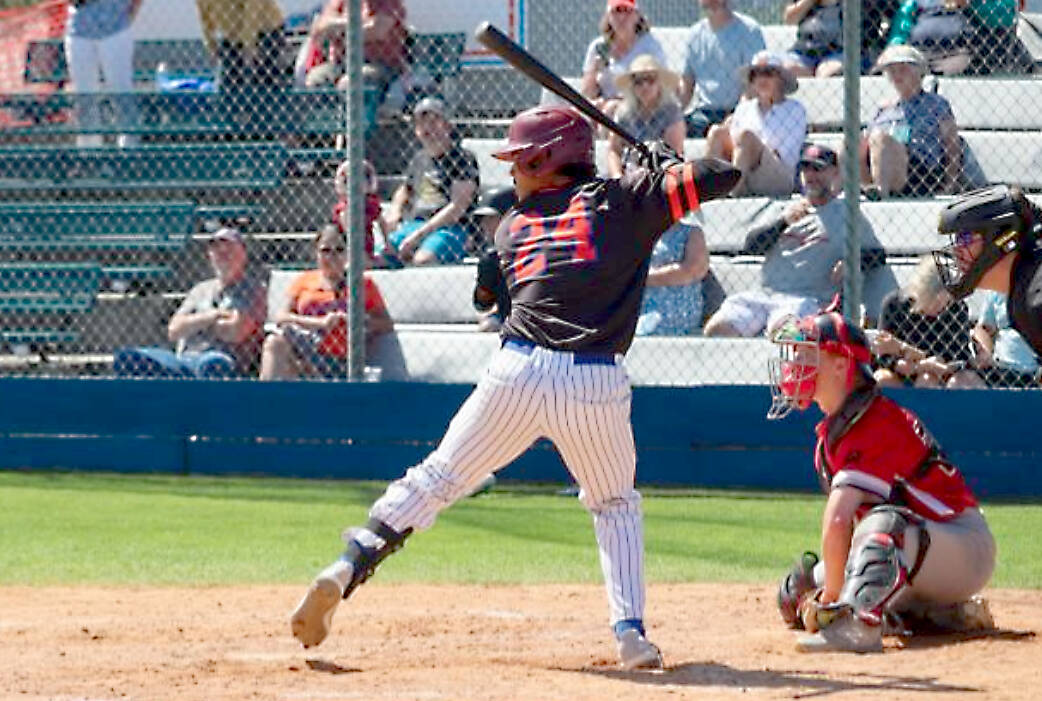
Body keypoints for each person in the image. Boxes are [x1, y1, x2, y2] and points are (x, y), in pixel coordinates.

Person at [288, 105, 741, 669]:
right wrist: (666, 169)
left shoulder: (513, 227)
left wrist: (648, 176)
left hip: (516, 371)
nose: (511, 172)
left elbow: (492, 299)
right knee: (614, 504)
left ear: (545, 159)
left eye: (518, 160)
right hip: (593, 381)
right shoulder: (622, 200)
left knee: (438, 477)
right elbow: (725, 173)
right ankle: (630, 634)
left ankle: (350, 563)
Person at [768, 312, 996, 653]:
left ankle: (858, 625)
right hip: (921, 549)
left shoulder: (877, 422)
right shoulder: (836, 430)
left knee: (883, 526)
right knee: (797, 588)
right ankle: (934, 613)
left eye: (809, 353)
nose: (796, 364)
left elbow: (839, 520)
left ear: (841, 365)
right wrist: (819, 591)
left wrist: (832, 600)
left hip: (963, 545)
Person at [703, 144, 882, 338]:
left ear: (834, 172)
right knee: (717, 328)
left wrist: (852, 261)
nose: (810, 175)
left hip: (806, 300)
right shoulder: (783, 209)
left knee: (782, 333)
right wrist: (784, 222)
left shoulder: (846, 213)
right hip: (764, 295)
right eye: (805, 168)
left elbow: (879, 255)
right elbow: (751, 246)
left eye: (818, 169)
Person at [606, 54, 708, 335]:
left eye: (650, 79)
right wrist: (619, 178)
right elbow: (613, 150)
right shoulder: (624, 113)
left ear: (659, 83)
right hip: (631, 177)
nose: (644, 86)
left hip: (663, 173)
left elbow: (673, 154)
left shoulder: (671, 112)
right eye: (638, 81)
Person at [113, 228, 266, 378]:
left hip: (219, 357)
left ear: (243, 255)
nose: (222, 253)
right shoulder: (200, 289)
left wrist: (193, 324)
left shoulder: (253, 288)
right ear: (210, 256)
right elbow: (174, 330)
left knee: (214, 365)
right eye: (216, 249)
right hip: (184, 358)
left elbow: (235, 332)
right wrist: (214, 316)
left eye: (229, 248)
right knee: (127, 357)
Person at [260, 225, 393, 381]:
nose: (332, 256)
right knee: (274, 343)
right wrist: (319, 323)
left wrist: (355, 321)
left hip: (342, 360)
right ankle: (265, 399)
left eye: (339, 250)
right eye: (325, 251)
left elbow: (386, 323)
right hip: (304, 354)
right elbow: (282, 316)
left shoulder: (362, 284)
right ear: (315, 253)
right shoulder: (305, 280)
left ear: (347, 254)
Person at [934, 183, 1042, 357]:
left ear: (1003, 237)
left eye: (965, 237)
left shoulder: (1036, 295)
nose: (956, 250)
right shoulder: (1024, 287)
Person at [382, 97, 480, 266]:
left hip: (450, 229)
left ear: (447, 126)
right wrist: (395, 211)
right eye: (421, 123)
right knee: (381, 255)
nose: (427, 128)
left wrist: (418, 236)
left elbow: (457, 207)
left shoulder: (463, 159)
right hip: (415, 224)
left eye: (434, 122)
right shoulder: (419, 159)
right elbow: (405, 189)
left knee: (423, 260)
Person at [859, 45, 961, 198]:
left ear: (919, 72)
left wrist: (950, 184)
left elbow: (951, 145)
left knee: (881, 139)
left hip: (921, 172)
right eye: (891, 70)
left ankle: (881, 195)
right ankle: (860, 191)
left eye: (903, 69)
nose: (897, 75)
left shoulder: (936, 104)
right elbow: (865, 143)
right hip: (878, 164)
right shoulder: (883, 108)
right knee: (849, 143)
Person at [872, 254, 984, 388]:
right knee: (882, 379)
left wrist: (904, 350)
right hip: (901, 369)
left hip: (939, 373)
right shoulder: (894, 305)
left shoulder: (956, 309)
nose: (939, 307)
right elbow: (883, 353)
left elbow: (958, 356)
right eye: (933, 301)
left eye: (944, 302)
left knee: (927, 379)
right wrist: (917, 365)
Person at [706, 51, 807, 197]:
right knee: (717, 132)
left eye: (767, 73)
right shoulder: (744, 108)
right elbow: (734, 146)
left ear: (780, 78)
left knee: (746, 137)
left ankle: (734, 193)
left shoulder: (794, 109)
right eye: (755, 73)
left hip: (778, 174)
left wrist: (751, 147)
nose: (761, 79)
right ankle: (709, 192)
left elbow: (784, 154)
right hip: (742, 167)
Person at [679, 0, 766, 138]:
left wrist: (738, 116)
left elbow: (754, 85)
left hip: (739, 110)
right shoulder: (694, 35)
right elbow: (687, 86)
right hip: (703, 114)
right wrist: (671, 116)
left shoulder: (749, 30)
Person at [64, 0, 144, 148]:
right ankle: (89, 151)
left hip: (115, 31)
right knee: (84, 96)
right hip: (79, 31)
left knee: (121, 91)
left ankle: (129, 148)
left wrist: (130, 14)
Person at [295, 0, 407, 99]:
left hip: (379, 64)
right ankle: (327, 120)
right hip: (340, 63)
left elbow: (377, 29)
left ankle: (358, 120)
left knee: (350, 82)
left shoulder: (389, 3)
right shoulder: (340, 2)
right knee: (315, 79)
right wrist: (354, 25)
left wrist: (338, 28)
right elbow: (320, 28)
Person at [195, 0, 286, 121]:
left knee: (262, 80)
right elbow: (204, 16)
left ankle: (268, 122)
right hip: (233, 36)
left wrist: (249, 47)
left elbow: (252, 11)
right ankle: (231, 125)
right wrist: (211, 45)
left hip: (266, 30)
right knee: (229, 86)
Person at [580, 0, 667, 120]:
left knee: (611, 111)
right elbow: (587, 92)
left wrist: (619, 102)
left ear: (637, 16)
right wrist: (595, 70)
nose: (621, 17)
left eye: (627, 11)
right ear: (608, 17)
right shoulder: (598, 47)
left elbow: (658, 87)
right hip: (606, 104)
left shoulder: (649, 46)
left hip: (641, 107)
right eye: (616, 11)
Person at [971, 291, 1040, 387]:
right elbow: (981, 330)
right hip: (1005, 366)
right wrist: (988, 352)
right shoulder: (998, 291)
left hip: (1034, 365)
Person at [471, 187, 517, 333]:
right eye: (484, 220)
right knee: (487, 325)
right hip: (507, 317)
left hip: (535, 319)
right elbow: (483, 304)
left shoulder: (531, 251)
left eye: (492, 219)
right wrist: (484, 283)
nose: (485, 225)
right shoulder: (492, 258)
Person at [887, 0, 973, 75]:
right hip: (919, 54)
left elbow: (981, 11)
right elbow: (903, 20)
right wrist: (895, 45)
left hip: (953, 53)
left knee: (958, 64)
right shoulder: (916, 2)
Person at [783, 0, 844, 78]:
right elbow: (789, 19)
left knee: (827, 74)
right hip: (805, 51)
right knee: (784, 70)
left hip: (837, 52)